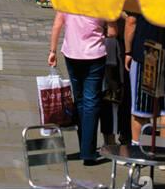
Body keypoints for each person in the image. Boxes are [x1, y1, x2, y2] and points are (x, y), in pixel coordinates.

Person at [49, 11, 119, 165]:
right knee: (91, 102)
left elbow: (57, 24)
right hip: (95, 54)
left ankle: (84, 147)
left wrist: (53, 51)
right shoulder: (102, 1)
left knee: (80, 100)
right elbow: (113, 32)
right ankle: (88, 152)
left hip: (72, 53)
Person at [125, 13, 165, 142]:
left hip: (144, 54)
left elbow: (131, 22)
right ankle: (164, 151)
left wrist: (128, 51)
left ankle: (138, 150)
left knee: (140, 110)